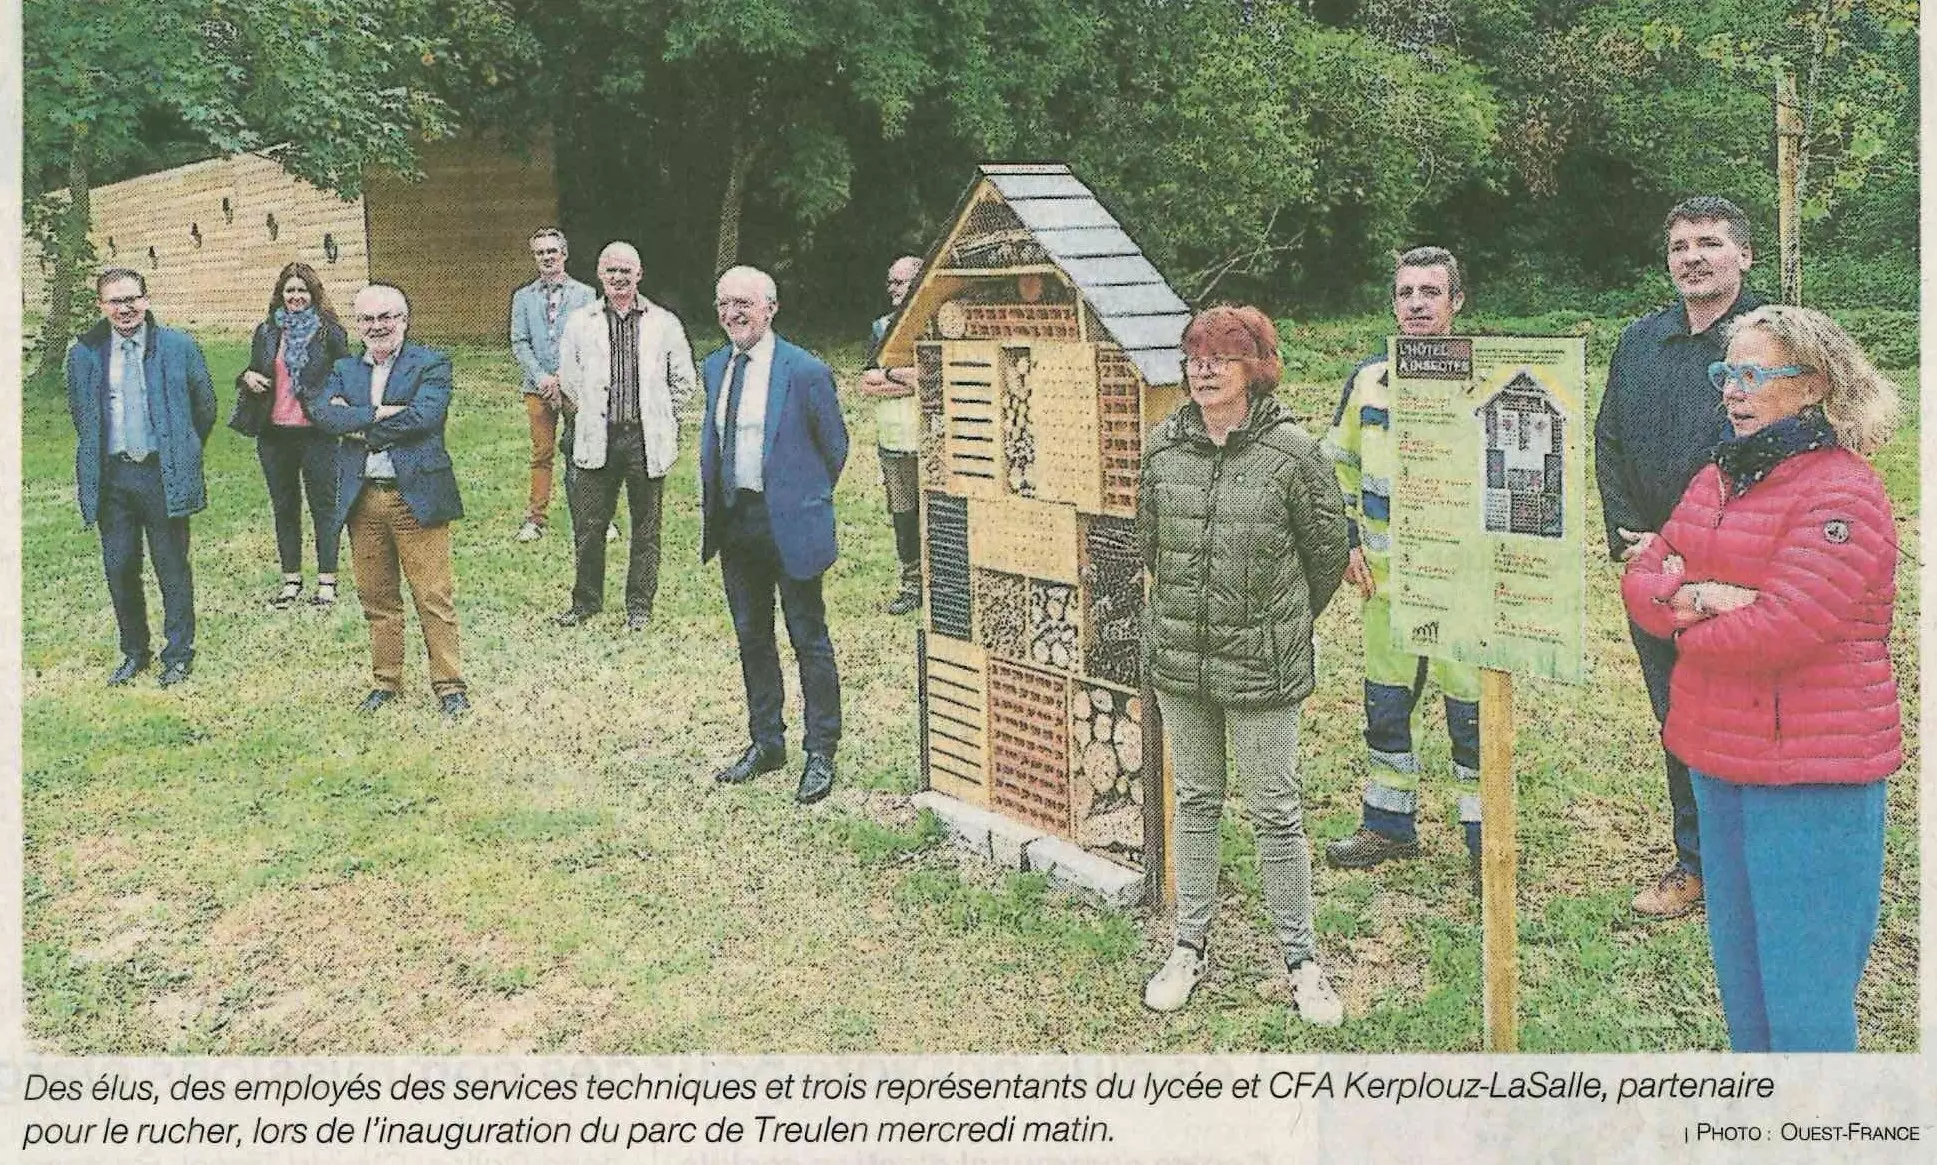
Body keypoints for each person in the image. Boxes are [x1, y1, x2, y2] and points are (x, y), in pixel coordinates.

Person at [1620, 305, 1900, 1051]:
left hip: (1810, 771)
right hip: (1718, 759)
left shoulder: (1843, 492)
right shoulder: (1718, 476)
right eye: (1725, 374)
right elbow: (1643, 578)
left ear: (1810, 387)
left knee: (1804, 996)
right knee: (1741, 978)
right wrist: (1705, 598)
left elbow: (1787, 626)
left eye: (1751, 375)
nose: (1732, 392)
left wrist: (1689, 598)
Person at [1137, 304, 1350, 1026]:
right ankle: (1187, 944)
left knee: (1275, 810)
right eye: (1194, 355)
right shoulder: (1162, 448)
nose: (1203, 368)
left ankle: (1301, 958)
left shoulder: (1293, 454)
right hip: (1181, 661)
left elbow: (1324, 557)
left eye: (1221, 356)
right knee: (1194, 799)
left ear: (1253, 369)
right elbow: (1151, 548)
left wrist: (1272, 625)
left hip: (1262, 666)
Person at [1595, 196, 1767, 919]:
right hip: (1653, 577)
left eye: (1709, 243)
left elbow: (1781, 453)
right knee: (1676, 720)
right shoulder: (1638, 342)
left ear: (1743, 256)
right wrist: (1634, 538)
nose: (1691, 257)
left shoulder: (1772, 343)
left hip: (1738, 576)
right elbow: (1608, 440)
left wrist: (1709, 554)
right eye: (1678, 246)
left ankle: (1757, 866)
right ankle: (1694, 860)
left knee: (1750, 722)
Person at [1322, 247, 1483, 879]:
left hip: (1462, 588)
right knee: (1386, 707)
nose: (1416, 303)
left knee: (1469, 714)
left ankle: (1481, 838)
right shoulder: (1368, 381)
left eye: (1431, 292)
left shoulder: (1485, 379)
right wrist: (1345, 542)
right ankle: (1388, 824)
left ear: (1456, 303)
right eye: (1406, 292)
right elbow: (1335, 467)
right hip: (1385, 589)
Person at [701, 266, 848, 806]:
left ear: (771, 308)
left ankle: (821, 750)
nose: (732, 314)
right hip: (737, 523)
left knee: (807, 636)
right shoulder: (716, 366)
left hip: (791, 524)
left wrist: (800, 496)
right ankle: (767, 742)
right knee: (751, 636)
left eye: (743, 303)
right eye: (723, 304)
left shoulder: (804, 371)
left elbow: (835, 446)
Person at [304, 284, 469, 718]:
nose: (377, 326)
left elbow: (425, 417)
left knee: (433, 596)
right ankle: (386, 682)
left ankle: (449, 685)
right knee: (377, 598)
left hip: (415, 496)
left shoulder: (431, 363)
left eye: (386, 317)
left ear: (404, 319)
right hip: (364, 500)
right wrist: (383, 413)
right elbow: (324, 415)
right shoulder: (343, 368)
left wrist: (357, 422)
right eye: (368, 319)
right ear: (357, 324)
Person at [65, 268, 217, 687]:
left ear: (146, 300)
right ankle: (135, 653)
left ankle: (179, 655)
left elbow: (203, 408)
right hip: (113, 479)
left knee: (172, 567)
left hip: (161, 474)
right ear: (101, 306)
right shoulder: (84, 354)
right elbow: (83, 416)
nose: (125, 308)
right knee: (120, 568)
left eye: (132, 298)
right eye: (115, 301)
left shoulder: (178, 346)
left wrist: (179, 449)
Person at [552, 242, 696, 631]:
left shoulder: (664, 323)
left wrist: (663, 417)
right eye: (611, 271)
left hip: (644, 439)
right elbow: (569, 378)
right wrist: (594, 414)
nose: (619, 278)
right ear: (600, 275)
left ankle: (639, 605)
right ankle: (585, 602)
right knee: (589, 526)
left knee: (646, 526)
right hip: (600, 435)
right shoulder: (581, 322)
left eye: (626, 271)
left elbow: (683, 381)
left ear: (640, 274)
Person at [231, 262, 352, 608]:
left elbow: (346, 372)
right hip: (274, 435)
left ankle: (327, 580)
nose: (295, 296)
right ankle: (291, 580)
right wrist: (246, 377)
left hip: (317, 433)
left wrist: (339, 399)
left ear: (313, 294)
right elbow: (256, 368)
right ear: (280, 295)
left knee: (324, 507)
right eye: (290, 290)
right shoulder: (267, 331)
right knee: (284, 506)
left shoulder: (330, 332)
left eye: (302, 290)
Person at [508, 227, 597, 542]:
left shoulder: (585, 295)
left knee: (584, 452)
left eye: (552, 251)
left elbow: (589, 340)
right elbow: (519, 341)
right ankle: (536, 519)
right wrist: (542, 377)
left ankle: (596, 515)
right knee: (542, 453)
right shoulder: (523, 297)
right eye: (540, 252)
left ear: (564, 254)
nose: (547, 257)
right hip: (537, 388)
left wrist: (563, 377)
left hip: (574, 388)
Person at [857, 255, 924, 614]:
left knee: (939, 515)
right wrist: (906, 377)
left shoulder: (933, 324)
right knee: (903, 517)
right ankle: (912, 584)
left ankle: (943, 583)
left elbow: (936, 377)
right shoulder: (881, 328)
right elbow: (867, 383)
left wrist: (893, 375)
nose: (895, 290)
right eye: (892, 283)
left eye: (902, 282)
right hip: (893, 441)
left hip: (930, 440)